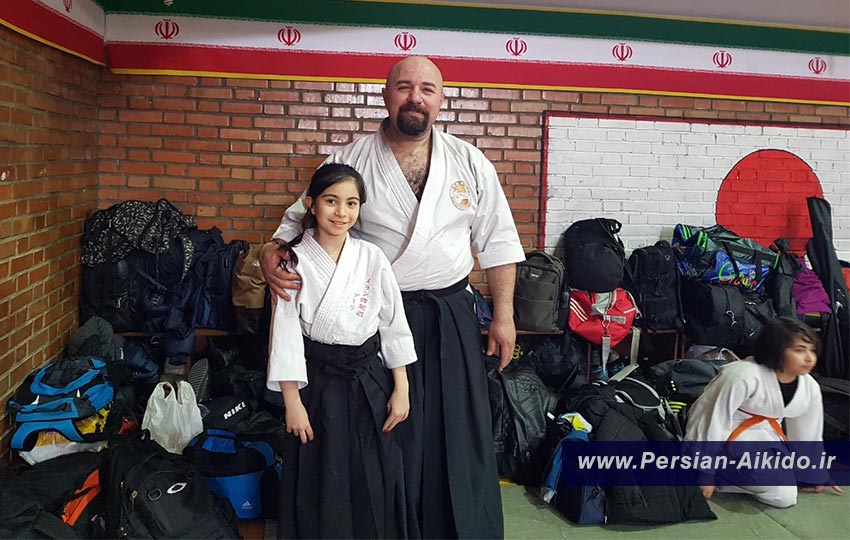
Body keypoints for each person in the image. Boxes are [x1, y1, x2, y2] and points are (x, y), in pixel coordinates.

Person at [261, 56, 525, 539]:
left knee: (455, 430)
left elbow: (499, 241)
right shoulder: (352, 159)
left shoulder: (469, 162)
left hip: (449, 313)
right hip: (375, 318)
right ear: (385, 95)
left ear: (441, 99)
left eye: (427, 89)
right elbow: (295, 224)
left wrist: (503, 316)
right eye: (404, 87)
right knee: (388, 432)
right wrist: (267, 253)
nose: (415, 98)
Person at [266, 163, 418, 538]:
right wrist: (292, 402)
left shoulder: (371, 257)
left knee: (375, 472)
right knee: (320, 476)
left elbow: (393, 323)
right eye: (331, 201)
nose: (341, 212)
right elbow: (285, 335)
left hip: (369, 379)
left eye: (351, 203)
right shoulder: (292, 261)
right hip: (317, 382)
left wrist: (401, 387)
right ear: (311, 204)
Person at [685, 317, 843, 508]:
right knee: (763, 475)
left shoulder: (808, 385)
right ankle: (715, 470)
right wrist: (706, 472)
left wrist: (814, 474)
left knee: (784, 497)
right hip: (729, 433)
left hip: (766, 437)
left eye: (812, 350)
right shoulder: (741, 375)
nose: (809, 358)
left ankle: (733, 475)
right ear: (776, 349)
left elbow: (807, 431)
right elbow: (710, 417)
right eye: (799, 350)